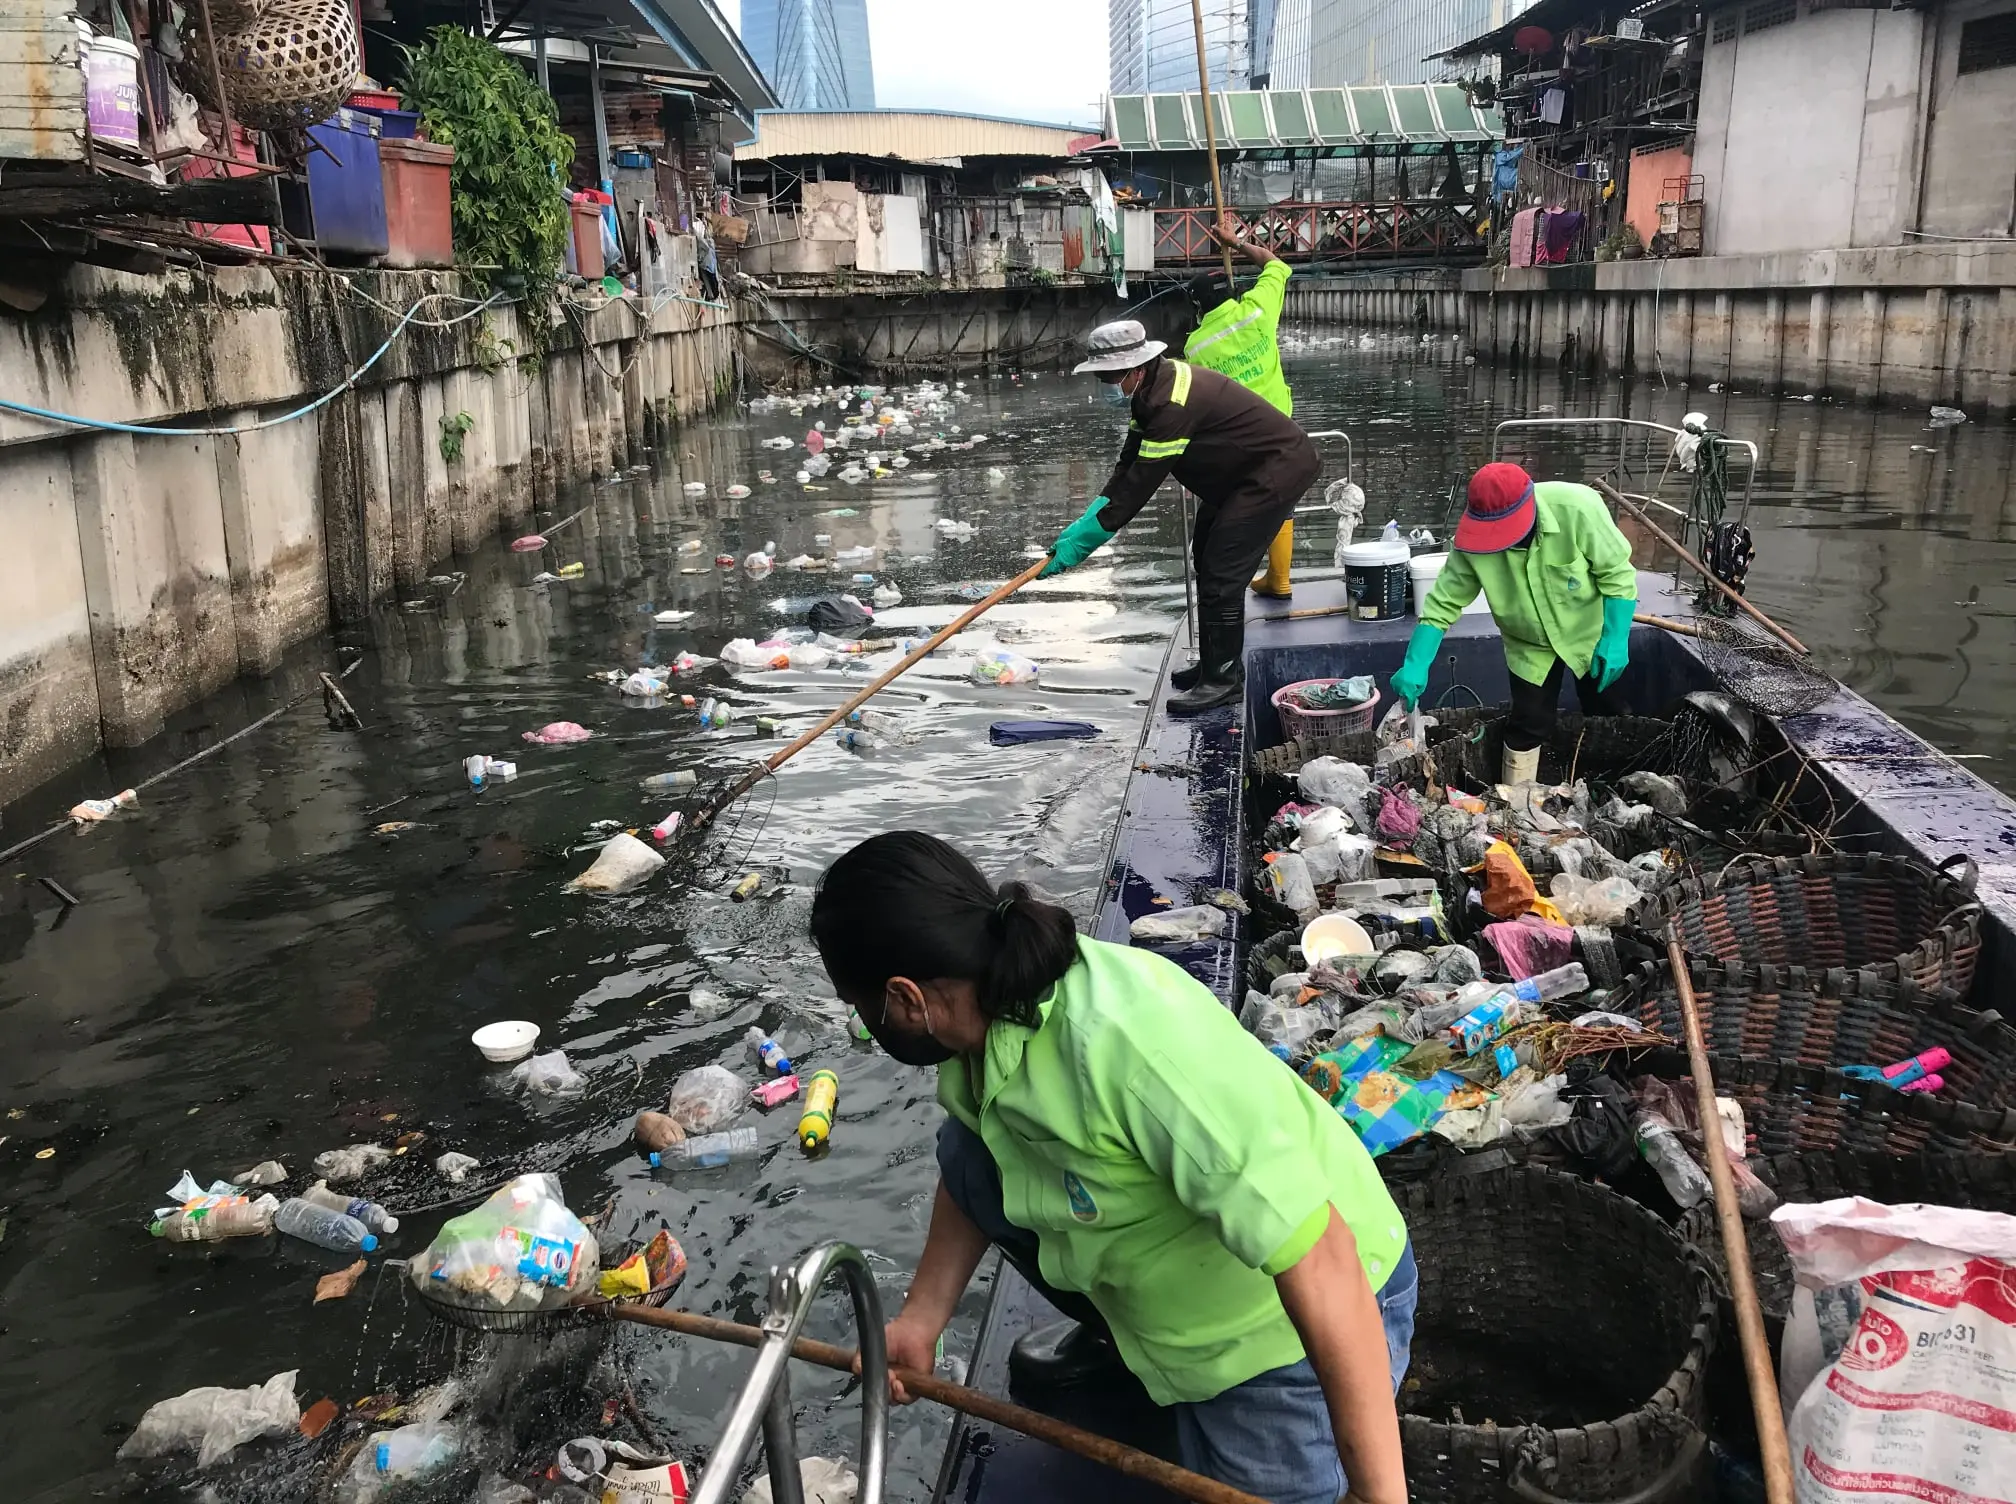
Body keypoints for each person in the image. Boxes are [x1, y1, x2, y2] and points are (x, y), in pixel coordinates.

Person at [813, 831, 1416, 1504]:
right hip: (1183, 1257)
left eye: (862, 1011)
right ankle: (1128, 1349)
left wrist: (1378, 1496)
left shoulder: (1131, 1053)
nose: (867, 1025)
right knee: (971, 1151)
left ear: (906, 998)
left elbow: (1324, 1262)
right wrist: (920, 1320)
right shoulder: (987, 1022)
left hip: (1287, 1327)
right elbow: (971, 1164)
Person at [1051, 320, 1322, 715]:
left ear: (1135, 369)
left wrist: (1087, 541)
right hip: (1240, 476)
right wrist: (1086, 520)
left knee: (1223, 572)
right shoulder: (1152, 392)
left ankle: (1223, 681)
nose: (1105, 385)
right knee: (1205, 555)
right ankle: (1215, 663)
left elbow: (1141, 483)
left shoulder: (1170, 404)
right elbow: (1128, 465)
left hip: (1275, 471)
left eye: (1110, 377)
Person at [1392, 462, 1637, 785]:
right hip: (1528, 645)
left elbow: (1617, 574)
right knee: (1528, 724)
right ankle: (1515, 801)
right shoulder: (1471, 541)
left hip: (1591, 633)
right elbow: (1442, 604)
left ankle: (1622, 785)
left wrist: (1616, 638)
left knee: (1609, 712)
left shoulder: (1578, 507)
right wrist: (1416, 663)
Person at [1182, 220, 1297, 600]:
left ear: (1198, 306)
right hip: (1282, 427)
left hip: (1237, 440)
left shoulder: (1196, 347)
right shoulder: (1258, 310)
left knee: (1240, 503)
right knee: (1282, 500)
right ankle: (1280, 578)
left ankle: (1237, 582)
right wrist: (1236, 243)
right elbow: (1275, 264)